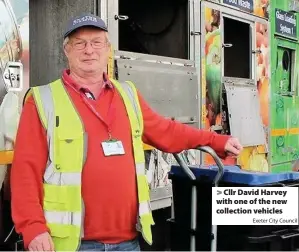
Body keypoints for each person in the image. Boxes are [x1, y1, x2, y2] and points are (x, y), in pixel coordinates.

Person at [10, 13, 243, 252]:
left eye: (96, 42)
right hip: (73, 245)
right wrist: (32, 227)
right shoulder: (43, 100)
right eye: (80, 43)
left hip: (127, 242)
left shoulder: (127, 94)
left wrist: (216, 140)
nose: (89, 50)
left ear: (108, 49)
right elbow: (24, 171)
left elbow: (166, 131)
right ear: (67, 51)